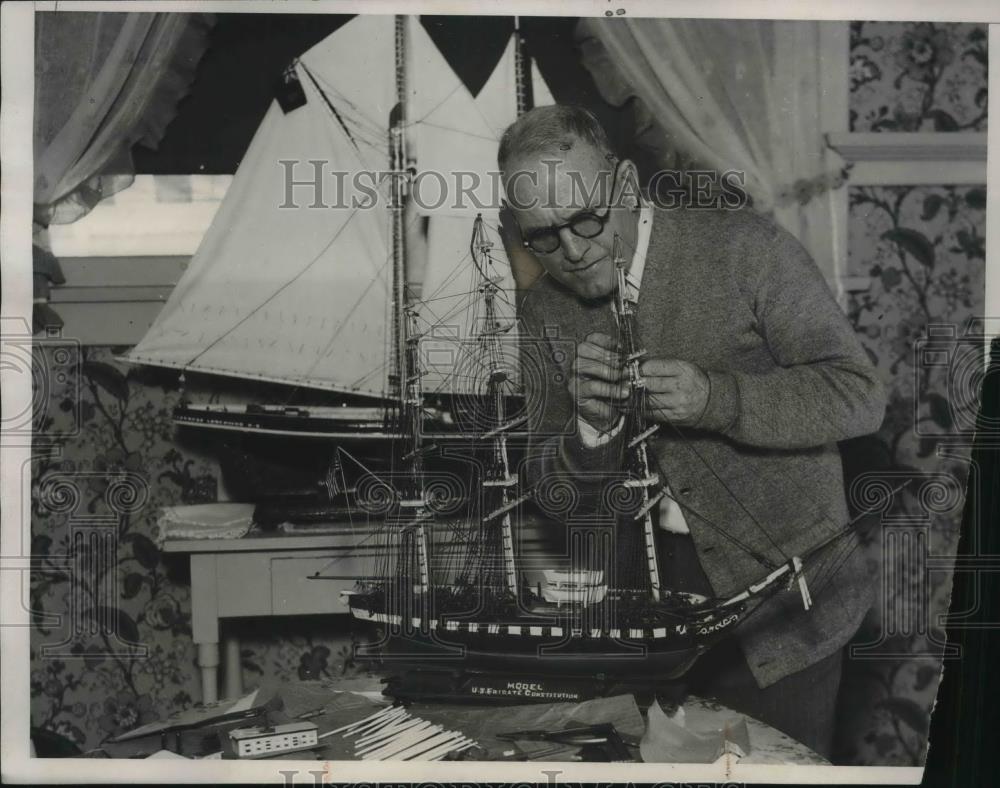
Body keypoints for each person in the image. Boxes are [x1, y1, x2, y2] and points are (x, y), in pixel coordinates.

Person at [499, 105, 887, 761]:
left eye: (586, 219)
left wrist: (719, 398)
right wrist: (588, 434)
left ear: (624, 187)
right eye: (542, 235)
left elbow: (859, 394)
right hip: (641, 624)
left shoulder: (746, 249)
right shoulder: (542, 312)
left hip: (788, 604)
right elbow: (551, 487)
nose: (571, 250)